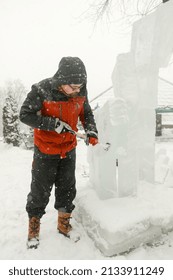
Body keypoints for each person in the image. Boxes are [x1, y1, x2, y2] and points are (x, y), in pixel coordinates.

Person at [20, 56, 98, 248]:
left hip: (69, 149)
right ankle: (34, 225)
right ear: (62, 80)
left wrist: (91, 130)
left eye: (80, 86)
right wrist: (51, 124)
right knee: (40, 191)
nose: (77, 90)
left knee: (67, 188)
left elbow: (86, 113)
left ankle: (64, 224)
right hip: (45, 150)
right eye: (73, 86)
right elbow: (24, 115)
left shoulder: (80, 91)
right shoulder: (41, 90)